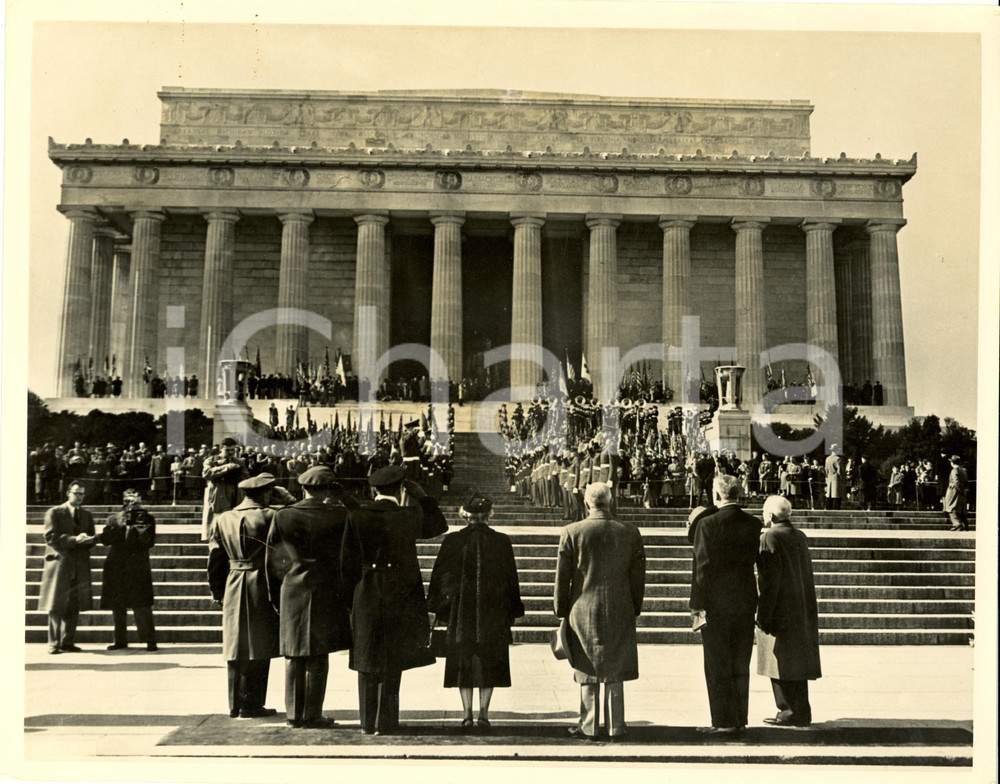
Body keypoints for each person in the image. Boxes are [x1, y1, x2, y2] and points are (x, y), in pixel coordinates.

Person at [341, 465, 448, 735]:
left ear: (373, 489)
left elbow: (347, 562)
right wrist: (421, 495)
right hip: (399, 593)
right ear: (401, 489)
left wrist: (349, 598)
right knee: (391, 659)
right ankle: (386, 722)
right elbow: (439, 525)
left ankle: (367, 722)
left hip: (365, 592)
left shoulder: (357, 516)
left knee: (366, 659)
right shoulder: (408, 515)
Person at [554, 483, 646, 741]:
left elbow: (563, 578)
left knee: (586, 665)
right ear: (611, 501)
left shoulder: (572, 531)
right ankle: (617, 724)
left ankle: (589, 724)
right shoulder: (630, 531)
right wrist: (634, 606)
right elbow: (638, 577)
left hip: (583, 606)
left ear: (586, 502)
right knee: (616, 665)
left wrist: (560, 609)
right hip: (620, 605)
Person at [267, 466, 357, 728]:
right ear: (330, 488)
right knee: (319, 653)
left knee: (294, 653)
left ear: (303, 487)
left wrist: (275, 596)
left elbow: (273, 560)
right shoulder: (340, 515)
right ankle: (313, 713)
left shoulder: (283, 515)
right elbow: (350, 553)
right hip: (326, 587)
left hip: (292, 587)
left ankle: (294, 714)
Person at [426, 495, 525, 732]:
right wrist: (512, 611)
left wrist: (441, 608)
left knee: (463, 662)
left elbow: (440, 578)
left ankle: (466, 714)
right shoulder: (501, 541)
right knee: (489, 662)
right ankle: (484, 713)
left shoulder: (452, 541)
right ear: (490, 515)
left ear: (465, 515)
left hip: (460, 614)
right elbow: (511, 580)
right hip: (492, 613)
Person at [208, 473, 288, 719]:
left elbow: (214, 560)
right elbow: (279, 556)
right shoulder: (272, 516)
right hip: (260, 583)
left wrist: (217, 591)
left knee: (236, 645)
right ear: (266, 493)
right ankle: (253, 703)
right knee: (259, 644)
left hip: (233, 581)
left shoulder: (222, 518)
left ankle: (235, 704)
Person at [689, 474, 762, 738]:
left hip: (716, 604)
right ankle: (739, 718)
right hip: (744, 601)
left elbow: (702, 569)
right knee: (740, 663)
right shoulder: (754, 523)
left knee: (717, 663)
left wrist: (696, 605)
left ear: (717, 495)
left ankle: (723, 721)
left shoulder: (707, 524)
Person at [755, 495, 821, 727]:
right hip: (800, 607)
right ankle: (802, 710)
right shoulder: (799, 536)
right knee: (797, 662)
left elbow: (768, 582)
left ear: (770, 515)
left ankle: (788, 710)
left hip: (780, 610)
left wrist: (763, 615)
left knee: (778, 662)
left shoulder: (769, 537)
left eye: (764, 511)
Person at [38, 481, 98, 654]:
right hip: (60, 564)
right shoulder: (55, 512)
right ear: (68, 493)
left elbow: (90, 537)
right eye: (76, 493)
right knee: (56, 606)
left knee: (74, 605)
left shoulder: (86, 515)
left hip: (79, 565)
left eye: (82, 494)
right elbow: (50, 537)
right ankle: (53, 643)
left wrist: (90, 540)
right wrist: (73, 539)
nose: (79, 497)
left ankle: (67, 641)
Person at [100, 489, 157, 651]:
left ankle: (149, 640)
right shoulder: (114, 518)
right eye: (128, 501)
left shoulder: (148, 519)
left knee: (142, 605)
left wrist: (136, 529)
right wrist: (118, 526)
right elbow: (105, 540)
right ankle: (120, 640)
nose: (131, 505)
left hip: (137, 566)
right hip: (116, 566)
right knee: (117, 605)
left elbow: (148, 542)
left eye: (135, 502)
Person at [201, 440, 246, 541]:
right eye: (227, 450)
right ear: (221, 449)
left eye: (232, 450)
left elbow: (245, 477)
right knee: (216, 523)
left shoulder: (239, 462)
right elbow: (206, 474)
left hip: (234, 494)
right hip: (218, 493)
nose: (230, 452)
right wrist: (227, 467)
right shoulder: (211, 460)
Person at [943, 455, 969, 531]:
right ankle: (964, 524)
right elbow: (966, 482)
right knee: (961, 509)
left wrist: (960, 489)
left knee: (951, 507)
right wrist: (964, 490)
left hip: (954, 491)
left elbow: (956, 482)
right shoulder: (963, 470)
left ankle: (957, 524)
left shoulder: (954, 470)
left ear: (952, 462)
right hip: (961, 492)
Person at [824, 446, 844, 510]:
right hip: (836, 478)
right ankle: (836, 508)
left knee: (829, 494)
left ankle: (828, 507)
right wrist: (842, 477)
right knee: (836, 494)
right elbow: (839, 470)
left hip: (829, 477)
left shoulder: (827, 459)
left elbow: (826, 469)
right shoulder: (838, 459)